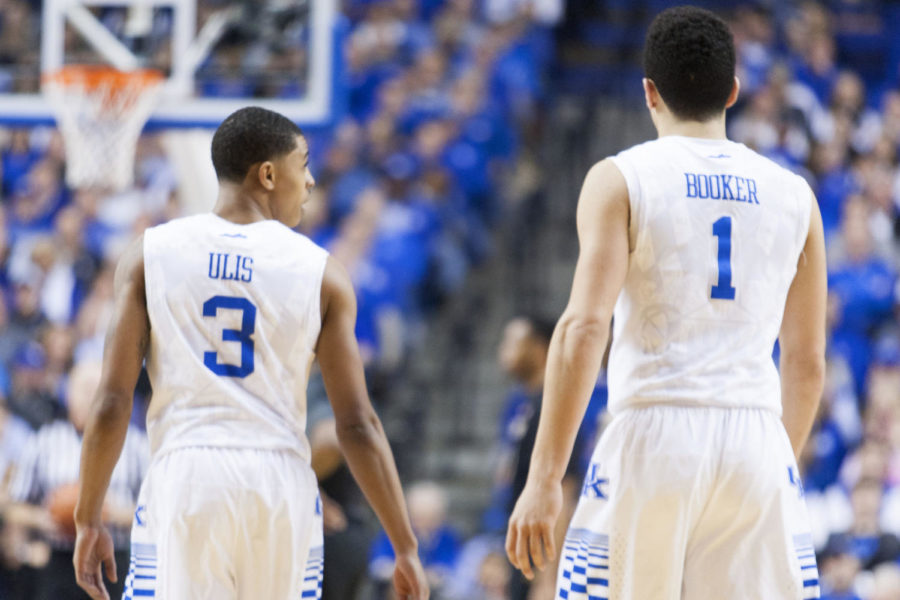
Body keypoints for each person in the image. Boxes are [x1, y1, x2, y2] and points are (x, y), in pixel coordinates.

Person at [506, 7, 827, 600]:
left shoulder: (621, 177)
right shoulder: (797, 197)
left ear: (649, 92)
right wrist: (776, 465)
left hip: (653, 432)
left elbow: (582, 329)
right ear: (733, 90)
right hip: (757, 439)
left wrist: (545, 477)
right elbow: (806, 364)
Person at [71, 107, 430, 600]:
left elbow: (111, 402)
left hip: (187, 474)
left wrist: (88, 517)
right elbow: (358, 425)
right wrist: (404, 544)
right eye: (302, 165)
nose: (309, 181)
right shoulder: (321, 272)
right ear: (267, 174)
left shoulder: (149, 254)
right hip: (281, 482)